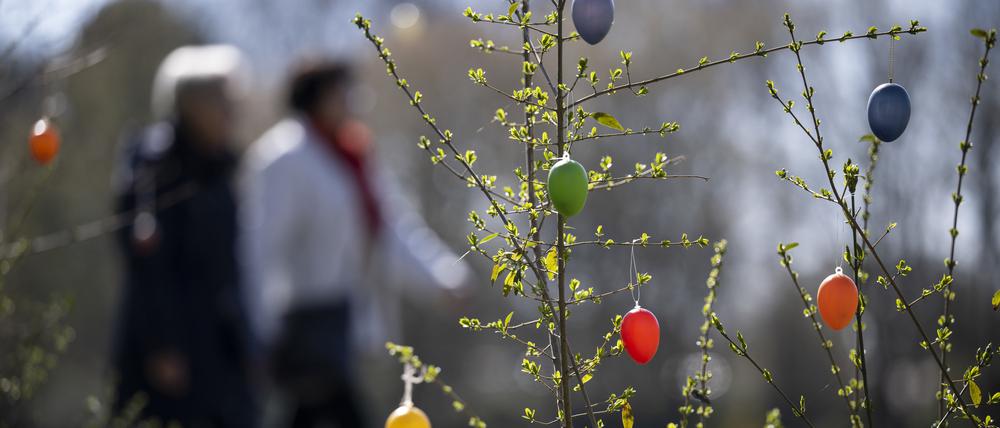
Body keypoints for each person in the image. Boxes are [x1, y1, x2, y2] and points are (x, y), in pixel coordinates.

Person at [240, 61, 469, 427]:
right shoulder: (282, 159)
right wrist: (260, 327)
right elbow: (261, 249)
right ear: (316, 97)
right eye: (341, 92)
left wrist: (442, 277)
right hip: (302, 326)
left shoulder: (355, 155)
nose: (351, 101)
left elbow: (391, 229)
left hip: (346, 325)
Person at [111, 45, 256, 427]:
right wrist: (161, 344)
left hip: (218, 348)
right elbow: (145, 260)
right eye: (222, 101)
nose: (232, 113)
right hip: (169, 354)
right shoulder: (154, 167)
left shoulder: (220, 171)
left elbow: (231, 264)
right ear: (192, 105)